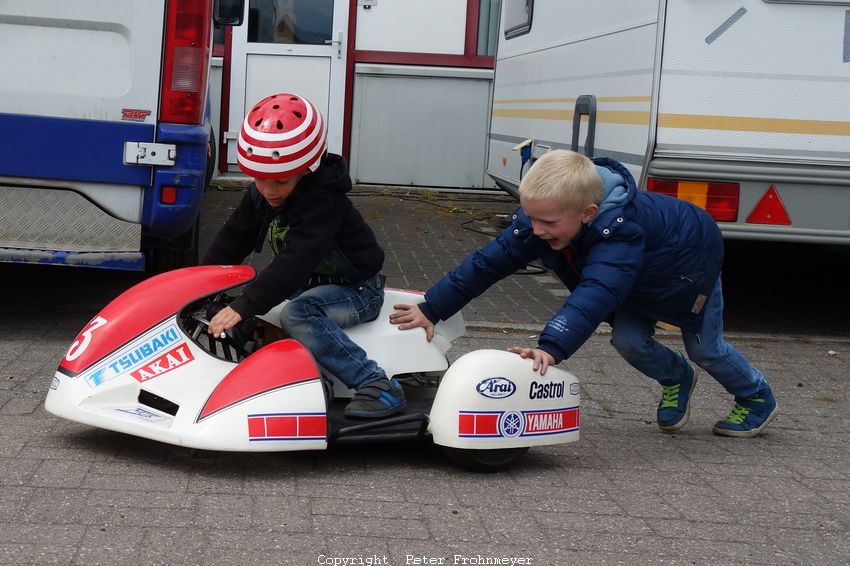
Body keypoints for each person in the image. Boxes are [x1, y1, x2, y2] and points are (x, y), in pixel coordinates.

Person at [390, 150, 778, 438]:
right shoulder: (543, 219)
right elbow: (488, 263)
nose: (536, 230)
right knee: (628, 340)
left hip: (689, 272)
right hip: (636, 278)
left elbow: (598, 290)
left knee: (706, 349)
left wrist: (551, 346)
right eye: (530, 216)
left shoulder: (620, 230)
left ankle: (756, 397)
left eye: (548, 222)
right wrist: (432, 307)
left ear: (588, 213)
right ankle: (676, 376)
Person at [203, 92, 405, 419]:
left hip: (356, 290)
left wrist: (246, 304)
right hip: (308, 283)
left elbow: (294, 261)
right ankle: (287, 380)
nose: (268, 189)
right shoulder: (261, 194)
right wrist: (197, 287)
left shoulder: (324, 201)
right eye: (260, 178)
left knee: (297, 313)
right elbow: (230, 241)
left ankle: (377, 384)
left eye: (280, 180)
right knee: (234, 307)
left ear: (305, 170)